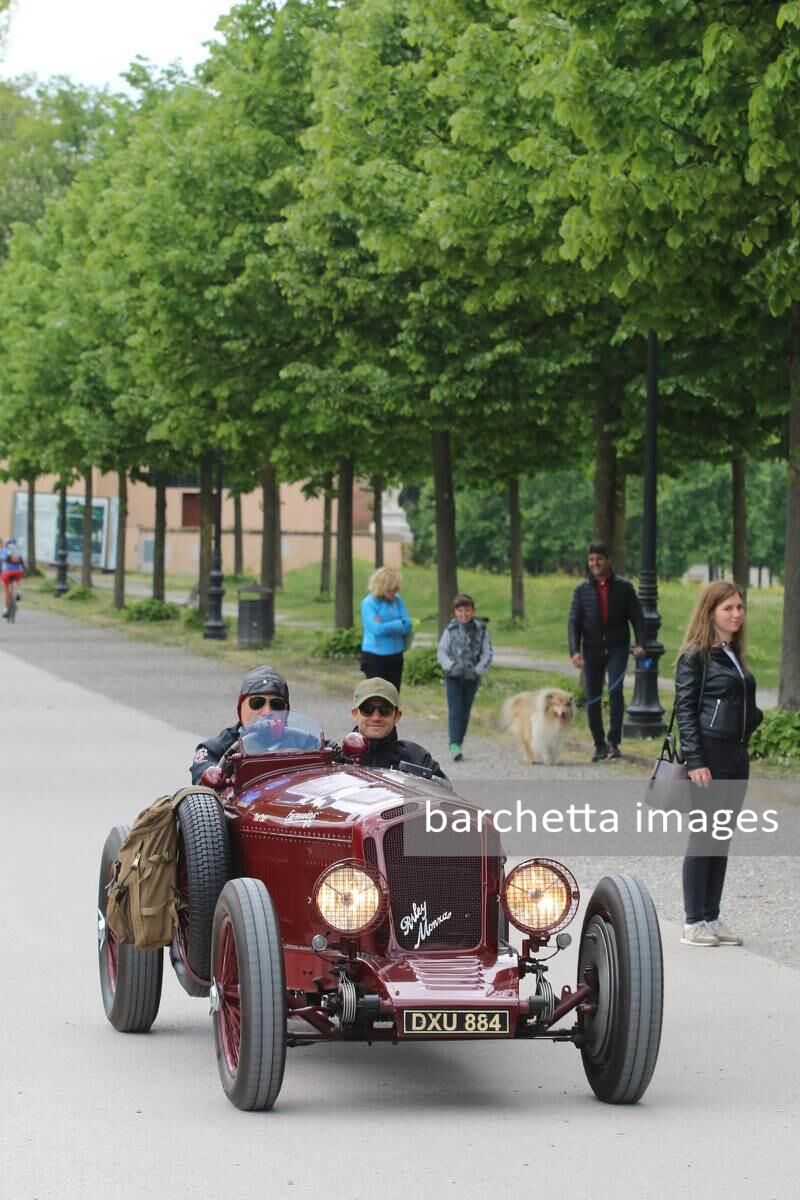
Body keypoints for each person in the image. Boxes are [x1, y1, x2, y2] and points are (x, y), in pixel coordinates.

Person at [674, 580, 763, 948]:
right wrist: (695, 759)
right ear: (711, 612)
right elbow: (686, 709)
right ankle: (693, 921)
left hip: (735, 755)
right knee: (704, 837)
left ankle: (711, 915)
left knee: (721, 839)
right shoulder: (696, 654)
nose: (736, 614)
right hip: (708, 756)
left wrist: (751, 720)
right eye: (728, 608)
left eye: (739, 607)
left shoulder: (730, 652)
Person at [567, 540, 645, 761]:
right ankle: (599, 744)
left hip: (617, 646)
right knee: (592, 696)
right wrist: (574, 651)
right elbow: (573, 622)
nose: (595, 563)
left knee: (615, 691)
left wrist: (641, 643)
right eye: (591, 559)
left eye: (599, 559)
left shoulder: (624, 588)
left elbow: (637, 618)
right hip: (591, 649)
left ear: (609, 560)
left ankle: (614, 742)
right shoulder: (581, 590)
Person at [191, 665, 295, 785]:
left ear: (286, 711)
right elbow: (202, 777)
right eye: (257, 703)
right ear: (241, 708)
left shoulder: (308, 744)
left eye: (277, 705)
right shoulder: (214, 749)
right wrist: (213, 774)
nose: (267, 712)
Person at [350, 677, 447, 779]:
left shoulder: (418, 760)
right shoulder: (338, 759)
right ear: (355, 714)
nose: (376, 717)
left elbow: (442, 791)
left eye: (384, 710)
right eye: (367, 709)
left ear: (397, 716)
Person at [437, 593, 493, 761]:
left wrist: (477, 670)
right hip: (453, 676)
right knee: (455, 710)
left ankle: (459, 741)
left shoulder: (481, 630)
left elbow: (487, 653)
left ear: (473, 611)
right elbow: (442, 651)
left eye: (467, 610)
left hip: (471, 677)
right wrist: (451, 666)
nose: (464, 614)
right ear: (455, 612)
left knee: (465, 711)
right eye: (460, 611)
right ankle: (454, 744)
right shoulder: (450, 629)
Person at [360, 566, 413, 692]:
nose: (397, 590)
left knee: (393, 696)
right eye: (393, 588)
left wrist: (387, 624)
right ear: (383, 587)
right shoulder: (369, 603)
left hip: (396, 655)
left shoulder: (397, 600)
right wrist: (398, 623)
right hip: (375, 657)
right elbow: (376, 629)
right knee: (378, 697)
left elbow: (408, 624)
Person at [1, 537, 25, 619]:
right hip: (18, 572)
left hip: (7, 573)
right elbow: (22, 564)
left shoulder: (4, 550)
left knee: (7, 591)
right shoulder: (18, 550)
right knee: (18, 580)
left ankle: (6, 609)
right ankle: (19, 592)